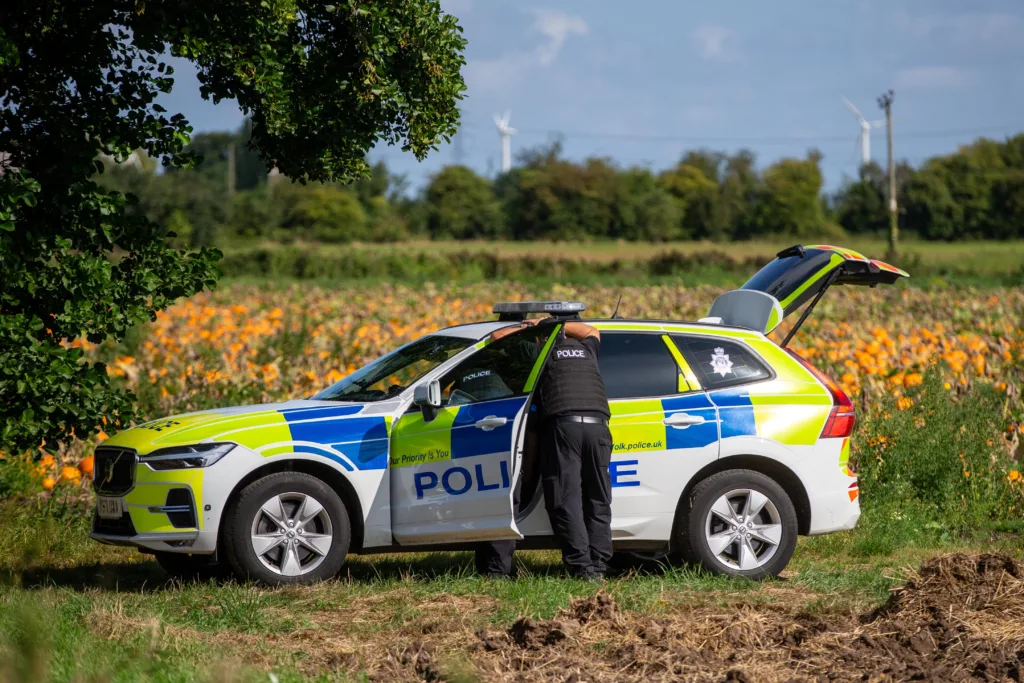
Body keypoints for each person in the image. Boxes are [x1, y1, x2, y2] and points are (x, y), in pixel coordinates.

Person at [474, 317, 613, 581]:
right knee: (597, 498)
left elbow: (498, 337)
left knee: (566, 499)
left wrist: (535, 326)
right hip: (599, 427)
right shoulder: (586, 350)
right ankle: (598, 565)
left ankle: (582, 566)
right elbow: (591, 330)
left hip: (565, 427)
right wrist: (557, 324)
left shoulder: (541, 351)